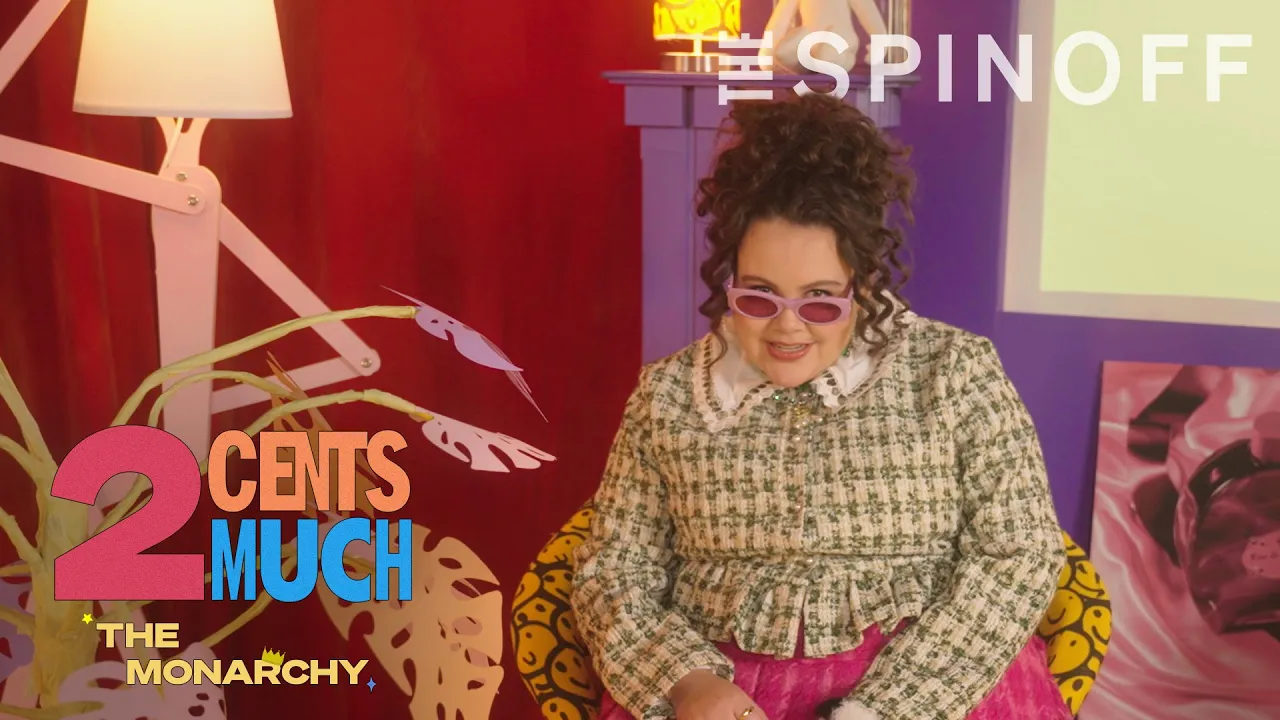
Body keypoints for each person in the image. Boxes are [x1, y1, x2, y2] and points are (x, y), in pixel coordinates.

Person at [569, 92, 1071, 720]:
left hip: (933, 687)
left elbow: (1020, 553)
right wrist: (685, 681)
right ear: (730, 281)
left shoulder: (954, 370)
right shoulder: (669, 394)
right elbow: (612, 570)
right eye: (759, 297)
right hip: (720, 697)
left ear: (861, 286)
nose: (788, 327)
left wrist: (885, 709)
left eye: (820, 300)